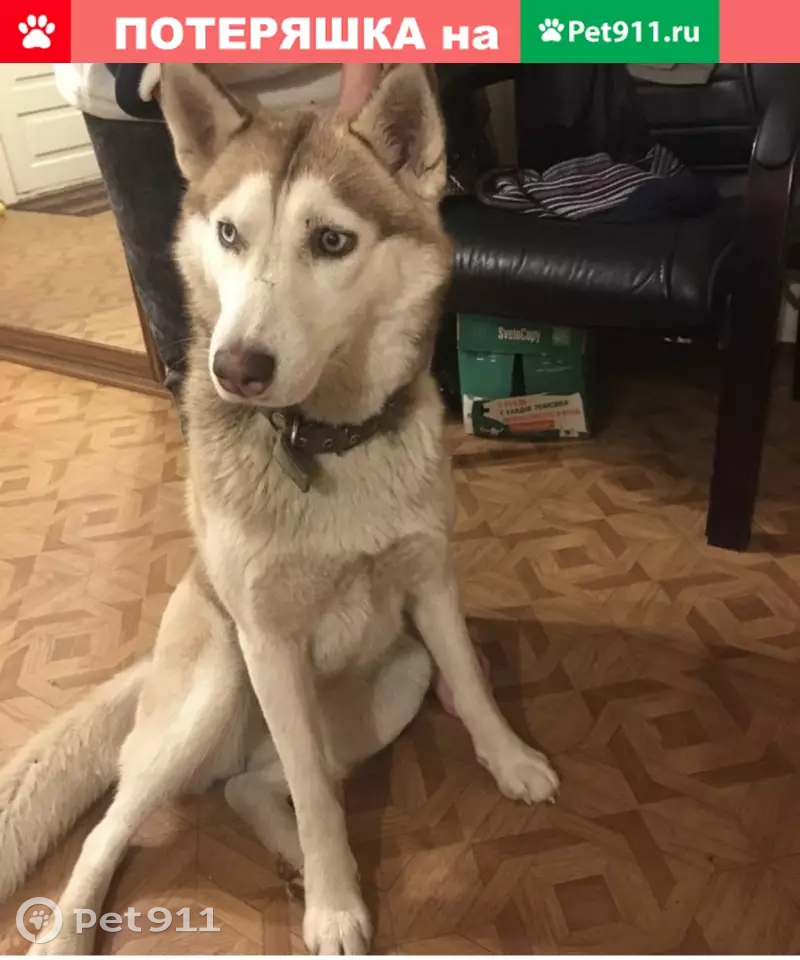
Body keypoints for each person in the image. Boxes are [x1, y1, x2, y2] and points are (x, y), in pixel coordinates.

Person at [54, 63, 381, 410]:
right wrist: (169, 80)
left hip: (327, 79)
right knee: (184, 358)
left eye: (329, 242)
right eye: (229, 234)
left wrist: (360, 117)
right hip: (144, 90)